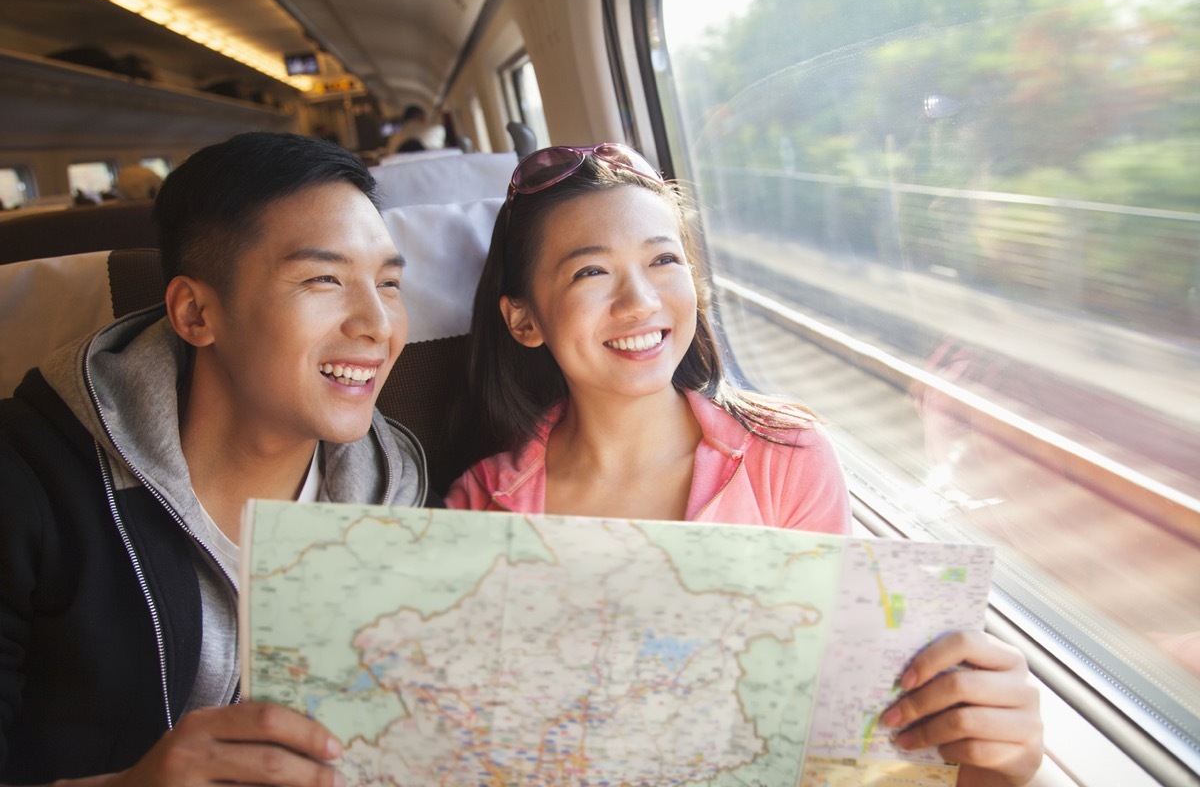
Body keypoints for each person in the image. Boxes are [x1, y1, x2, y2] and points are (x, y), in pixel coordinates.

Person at [443, 143, 1044, 785]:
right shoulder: (482, 504)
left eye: (663, 260)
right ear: (523, 318)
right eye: (591, 272)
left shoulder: (786, 458)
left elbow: (837, 728)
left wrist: (1000, 765)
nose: (640, 300)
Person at [0, 131, 427, 785]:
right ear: (197, 312)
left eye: (389, 283)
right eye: (323, 279)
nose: (377, 323)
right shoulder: (28, 483)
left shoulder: (399, 497)